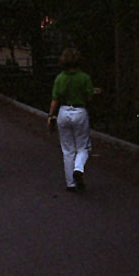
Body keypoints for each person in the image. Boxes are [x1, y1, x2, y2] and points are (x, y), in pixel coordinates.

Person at [47, 47, 94, 191]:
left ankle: (70, 183)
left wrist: (50, 116)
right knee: (83, 147)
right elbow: (89, 97)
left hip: (63, 112)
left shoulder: (60, 78)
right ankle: (78, 169)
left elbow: (55, 99)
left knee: (67, 149)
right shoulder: (84, 78)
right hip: (80, 112)